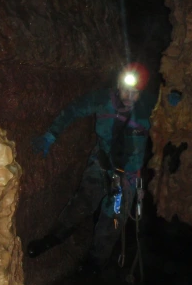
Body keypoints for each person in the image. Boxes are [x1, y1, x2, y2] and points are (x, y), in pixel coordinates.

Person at [28, 62, 157, 272]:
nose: (129, 96)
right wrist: (51, 134)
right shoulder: (102, 99)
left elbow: (177, 112)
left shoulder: (149, 107)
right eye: (126, 89)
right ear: (118, 85)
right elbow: (73, 110)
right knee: (81, 203)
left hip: (127, 178)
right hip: (102, 165)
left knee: (111, 222)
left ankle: (93, 266)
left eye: (135, 93)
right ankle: (53, 239)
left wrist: (174, 102)